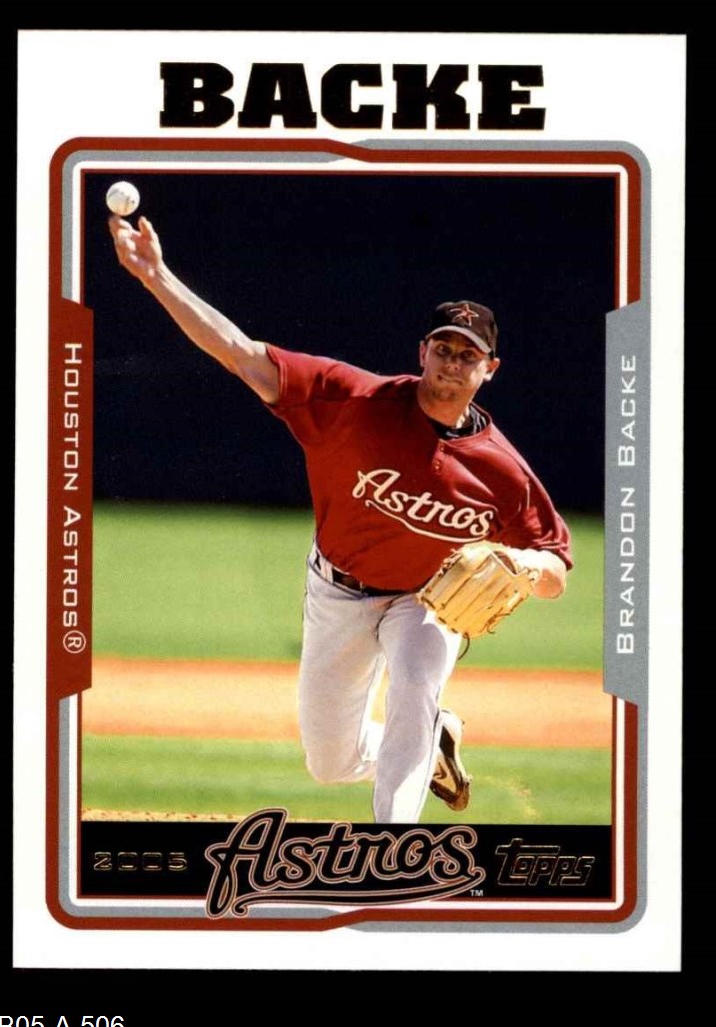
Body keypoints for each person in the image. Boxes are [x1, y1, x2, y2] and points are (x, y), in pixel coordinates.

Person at [109, 214, 572, 824]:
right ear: (423, 352)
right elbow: (240, 354)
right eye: (443, 349)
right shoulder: (353, 401)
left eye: (469, 355)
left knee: (416, 685)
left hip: (426, 602)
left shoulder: (502, 471)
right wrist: (157, 277)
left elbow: (556, 567)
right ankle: (434, 740)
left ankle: (393, 843)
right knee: (331, 762)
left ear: (490, 369)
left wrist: (524, 562)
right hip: (338, 592)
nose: (452, 363)